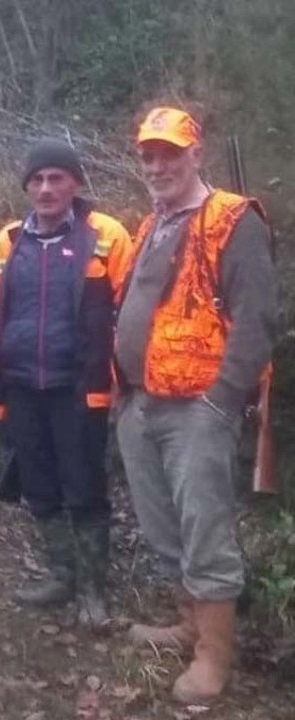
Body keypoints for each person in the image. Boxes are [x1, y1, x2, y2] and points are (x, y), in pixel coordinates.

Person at [115, 107, 277, 703]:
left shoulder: (233, 219)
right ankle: (187, 624)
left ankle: (215, 655)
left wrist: (220, 403)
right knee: (162, 527)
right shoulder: (151, 223)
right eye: (148, 156)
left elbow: (258, 319)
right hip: (141, 405)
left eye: (169, 153)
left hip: (198, 411)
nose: (158, 165)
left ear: (196, 152)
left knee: (205, 530)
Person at [0, 139, 132, 630]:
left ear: (76, 183)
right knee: (39, 483)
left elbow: (130, 309)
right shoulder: (6, 241)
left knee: (84, 485)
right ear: (26, 185)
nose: (45, 189)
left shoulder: (105, 235)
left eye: (56, 178)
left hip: (79, 384)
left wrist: (125, 375)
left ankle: (93, 592)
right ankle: (61, 574)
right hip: (21, 383)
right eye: (37, 180)